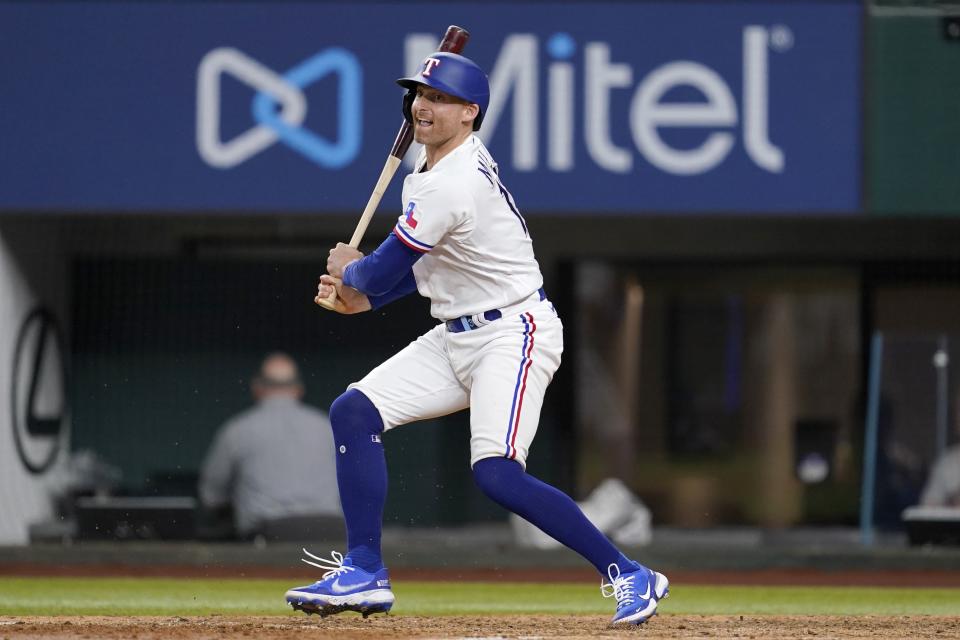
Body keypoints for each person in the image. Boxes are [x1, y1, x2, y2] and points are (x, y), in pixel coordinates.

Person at [284, 53, 669, 625]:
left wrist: (353, 270)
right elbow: (418, 272)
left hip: (514, 333)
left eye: (439, 98)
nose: (423, 106)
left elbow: (384, 267)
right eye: (420, 94)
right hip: (458, 330)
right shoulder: (433, 170)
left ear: (471, 114)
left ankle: (630, 573)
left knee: (496, 475)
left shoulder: (454, 180)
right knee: (354, 411)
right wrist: (361, 295)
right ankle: (365, 570)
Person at [198, 352, 341, 538]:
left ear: (257, 387)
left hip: (271, 537)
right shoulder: (328, 427)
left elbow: (211, 496)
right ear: (298, 389)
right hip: (332, 532)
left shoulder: (238, 429)